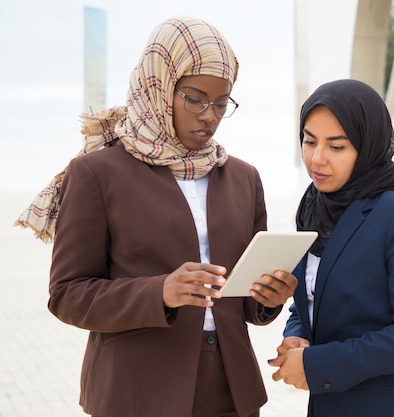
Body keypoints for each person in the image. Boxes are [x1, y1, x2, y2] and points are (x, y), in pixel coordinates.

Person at [14, 16, 296, 417]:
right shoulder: (98, 173)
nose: (209, 116)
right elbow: (67, 295)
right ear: (160, 86)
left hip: (232, 393)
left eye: (221, 103)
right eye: (195, 98)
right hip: (136, 394)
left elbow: (247, 305)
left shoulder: (243, 178)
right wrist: (160, 292)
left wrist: (268, 299)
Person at [269, 79, 394, 417]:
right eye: (309, 141)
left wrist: (316, 365)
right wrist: (297, 337)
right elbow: (308, 301)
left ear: (367, 145)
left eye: (336, 146)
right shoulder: (312, 209)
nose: (317, 157)